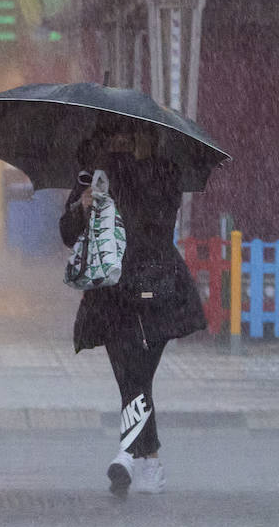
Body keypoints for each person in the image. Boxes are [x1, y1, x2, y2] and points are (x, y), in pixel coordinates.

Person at [59, 115, 206, 497]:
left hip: (157, 289)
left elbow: (152, 224)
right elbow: (66, 233)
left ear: (144, 136)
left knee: (136, 374)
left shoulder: (162, 173)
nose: (120, 144)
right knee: (131, 376)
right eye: (114, 137)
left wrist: (126, 178)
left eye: (127, 136)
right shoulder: (93, 176)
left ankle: (128, 452)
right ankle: (148, 460)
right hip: (111, 294)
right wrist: (83, 206)